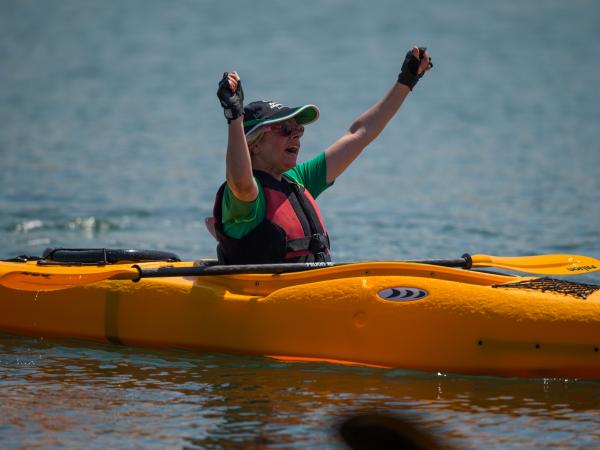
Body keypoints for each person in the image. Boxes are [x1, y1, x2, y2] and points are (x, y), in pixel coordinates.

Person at [210, 47, 432, 265]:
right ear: (254, 144)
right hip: (263, 293)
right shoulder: (244, 196)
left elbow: (359, 134)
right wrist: (234, 117)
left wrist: (406, 82)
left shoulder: (298, 180)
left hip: (308, 288)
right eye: (285, 129)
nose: (296, 136)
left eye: (299, 129)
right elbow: (241, 182)